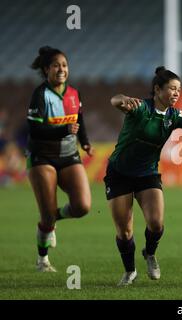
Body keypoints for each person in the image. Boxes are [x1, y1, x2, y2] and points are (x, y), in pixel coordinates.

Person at [104, 66, 182, 286]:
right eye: (172, 89)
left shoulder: (175, 116)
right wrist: (123, 99)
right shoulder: (140, 108)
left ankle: (149, 254)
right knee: (124, 230)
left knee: (156, 223)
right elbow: (115, 100)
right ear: (157, 89)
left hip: (147, 173)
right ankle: (130, 271)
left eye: (179, 89)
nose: (177, 93)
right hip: (119, 173)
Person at [27, 46, 93, 272]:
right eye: (56, 65)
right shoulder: (40, 94)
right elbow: (35, 130)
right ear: (47, 69)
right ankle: (42, 259)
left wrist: (84, 141)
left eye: (64, 65)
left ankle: (52, 218)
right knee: (46, 215)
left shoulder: (74, 93)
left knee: (83, 206)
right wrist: (64, 130)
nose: (61, 69)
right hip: (42, 156)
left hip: (68, 155)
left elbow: (79, 120)